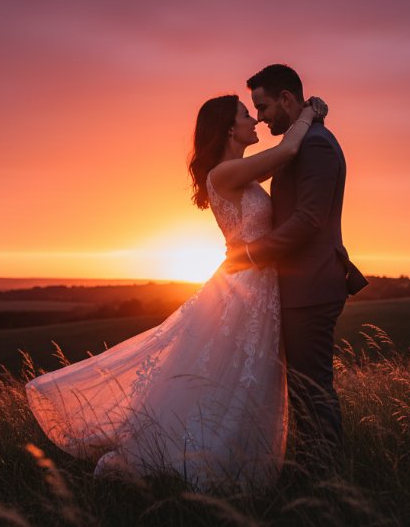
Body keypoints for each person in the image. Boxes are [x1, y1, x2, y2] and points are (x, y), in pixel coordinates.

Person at [25, 91, 326, 491]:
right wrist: (310, 112)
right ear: (228, 128)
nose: (254, 120)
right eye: (245, 114)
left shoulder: (241, 171)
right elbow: (288, 150)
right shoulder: (223, 175)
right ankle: (201, 467)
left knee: (243, 380)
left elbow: (284, 157)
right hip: (243, 286)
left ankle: (233, 465)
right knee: (227, 378)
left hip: (256, 285)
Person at [224, 64, 368, 476]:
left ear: (287, 99)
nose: (261, 116)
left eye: (264, 106)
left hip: (312, 288)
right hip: (296, 288)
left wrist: (250, 255)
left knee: (313, 391)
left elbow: (308, 220)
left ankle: (328, 482)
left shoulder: (317, 145)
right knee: (302, 392)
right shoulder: (300, 139)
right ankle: (310, 472)